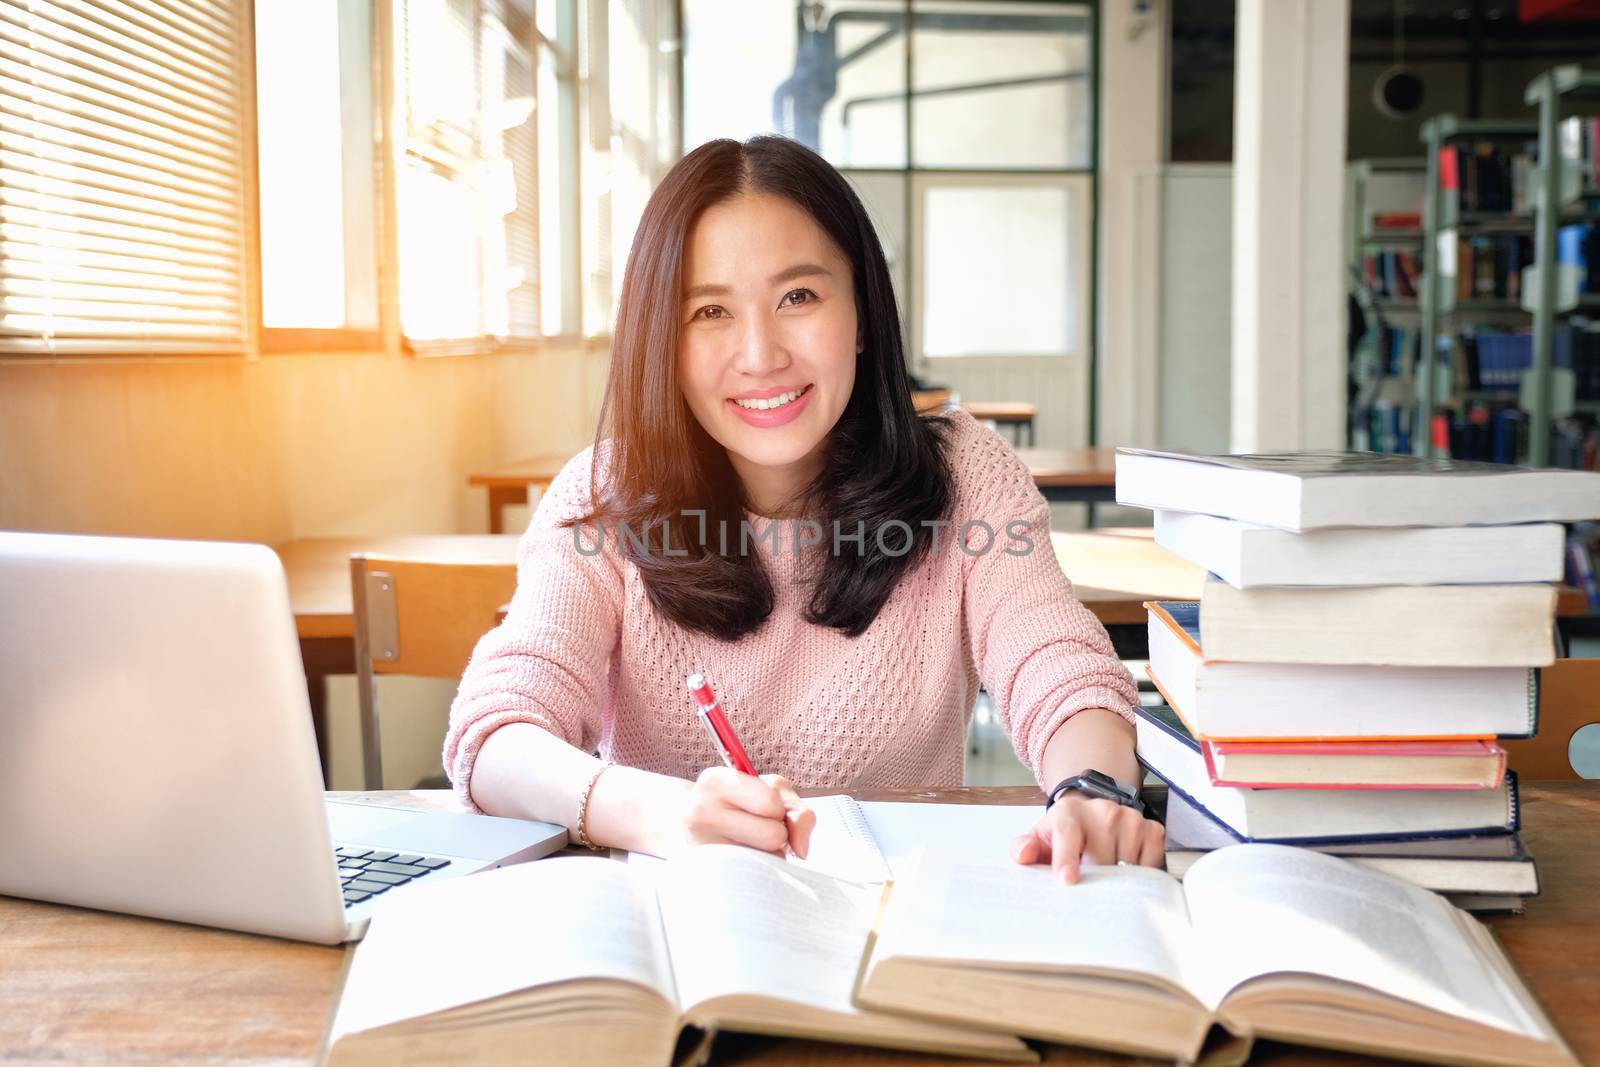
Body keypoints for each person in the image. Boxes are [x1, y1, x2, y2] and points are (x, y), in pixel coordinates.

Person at [443, 135, 1162, 884]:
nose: (760, 354)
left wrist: (1092, 786)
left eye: (799, 297)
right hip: (678, 940)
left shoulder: (963, 476)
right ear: (663, 341)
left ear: (862, 314)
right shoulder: (604, 498)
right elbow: (497, 733)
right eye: (710, 310)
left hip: (895, 930)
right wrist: (660, 814)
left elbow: (1060, 667)